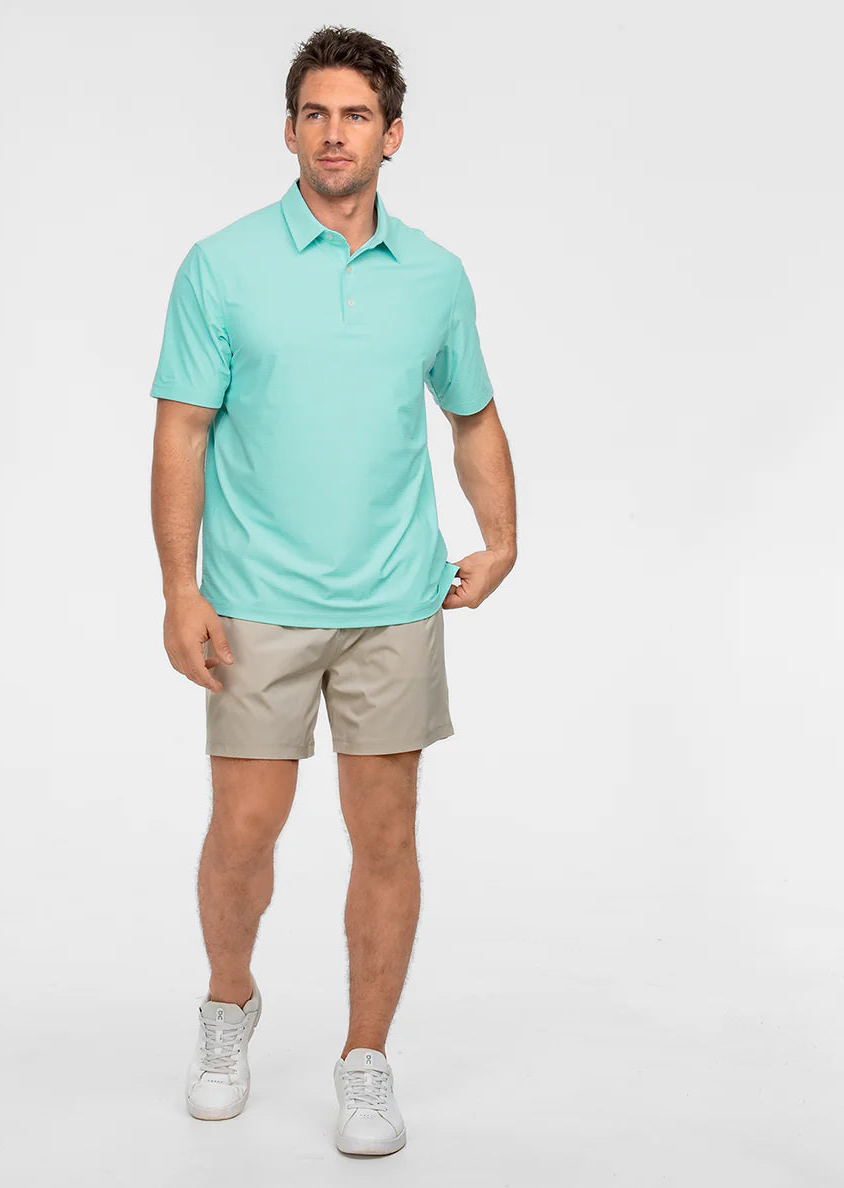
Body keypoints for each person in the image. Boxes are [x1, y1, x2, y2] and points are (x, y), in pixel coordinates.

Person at [148, 24, 517, 1157]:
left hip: (394, 603)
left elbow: (472, 415)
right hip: (254, 601)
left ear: (392, 135)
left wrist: (501, 538)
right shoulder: (222, 265)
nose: (334, 133)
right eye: (315, 113)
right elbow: (181, 431)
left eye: (356, 114)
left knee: (386, 836)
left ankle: (366, 1058)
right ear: (289, 130)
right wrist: (179, 588)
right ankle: (228, 1007)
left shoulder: (434, 275)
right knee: (243, 832)